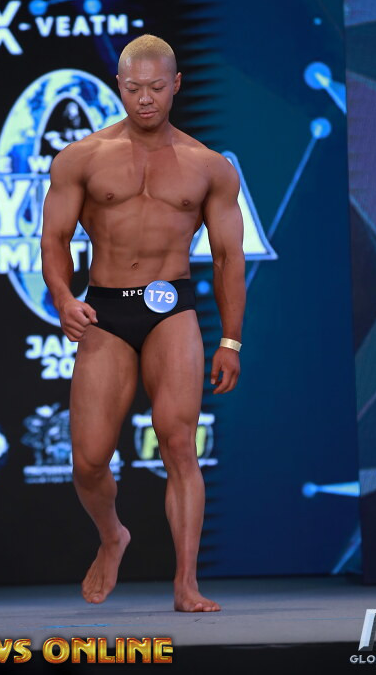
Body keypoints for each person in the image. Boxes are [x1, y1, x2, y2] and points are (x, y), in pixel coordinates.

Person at [41, 34, 246, 613]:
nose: (146, 99)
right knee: (88, 461)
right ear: (119, 87)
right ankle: (113, 536)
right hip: (106, 310)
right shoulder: (81, 158)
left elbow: (229, 259)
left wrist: (231, 340)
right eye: (134, 88)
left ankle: (186, 583)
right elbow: (54, 239)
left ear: (176, 84)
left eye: (156, 87)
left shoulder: (208, 167)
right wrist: (63, 297)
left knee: (179, 443)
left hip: (171, 309)